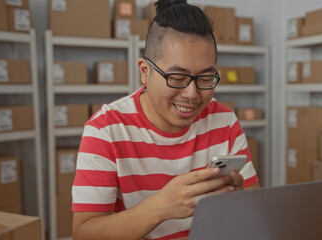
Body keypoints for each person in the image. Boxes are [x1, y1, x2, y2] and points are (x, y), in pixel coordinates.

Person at [72, 0, 260, 239]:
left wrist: (237, 199)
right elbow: (83, 233)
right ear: (144, 71)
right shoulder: (105, 130)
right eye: (178, 77)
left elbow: (252, 208)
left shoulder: (224, 119)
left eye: (205, 78)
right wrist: (162, 207)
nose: (192, 94)